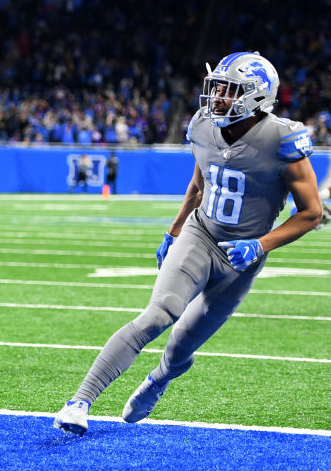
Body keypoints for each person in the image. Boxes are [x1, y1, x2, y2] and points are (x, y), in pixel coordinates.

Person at [54, 52, 321, 436]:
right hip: (201, 234)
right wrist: (174, 229)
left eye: (229, 91)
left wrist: (261, 245)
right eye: (216, 89)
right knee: (158, 315)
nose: (217, 98)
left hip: (242, 258)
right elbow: (199, 184)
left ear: (257, 96)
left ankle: (158, 380)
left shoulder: (282, 137)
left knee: (180, 348)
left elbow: (311, 212)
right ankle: (80, 402)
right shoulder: (203, 125)